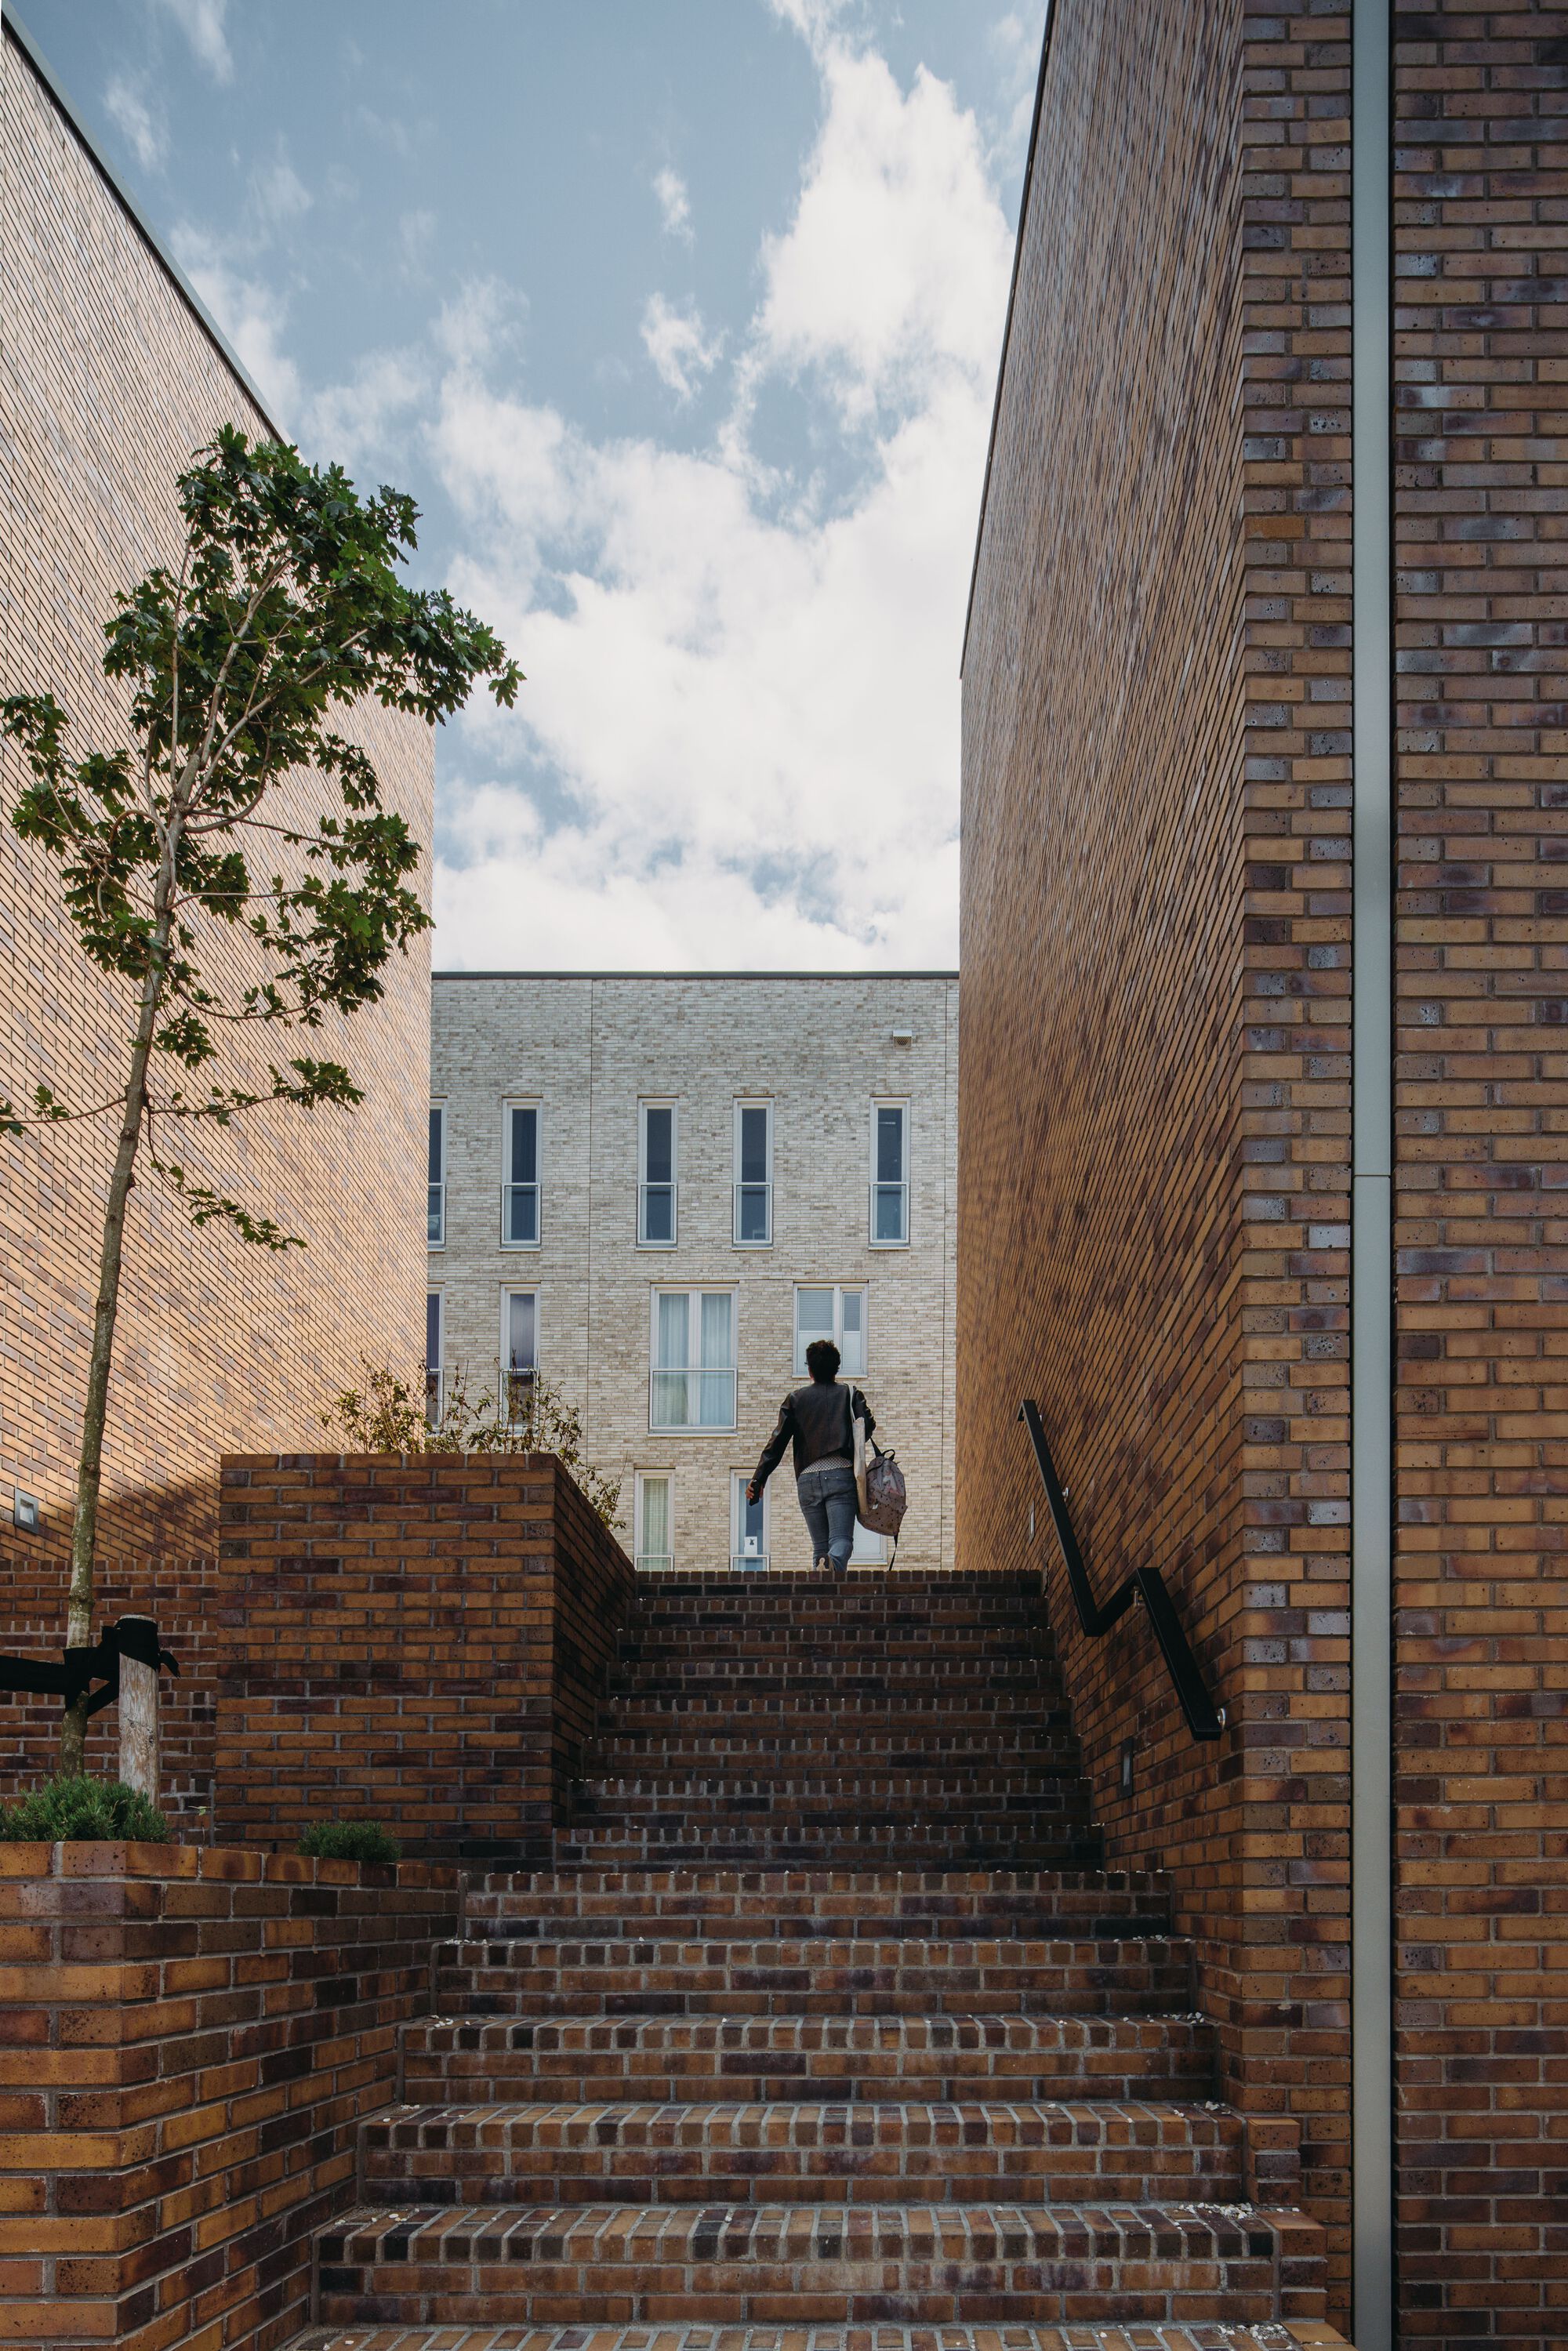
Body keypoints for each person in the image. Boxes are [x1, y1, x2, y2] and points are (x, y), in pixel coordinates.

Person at [747, 1338, 875, 1577]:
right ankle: (834, 1565)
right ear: (836, 1368)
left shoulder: (795, 1399)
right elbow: (866, 1427)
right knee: (842, 1541)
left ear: (810, 1370)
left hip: (807, 1479)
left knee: (820, 1547)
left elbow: (777, 1442)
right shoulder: (849, 1393)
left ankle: (821, 1596)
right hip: (840, 1474)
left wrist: (759, 1479)